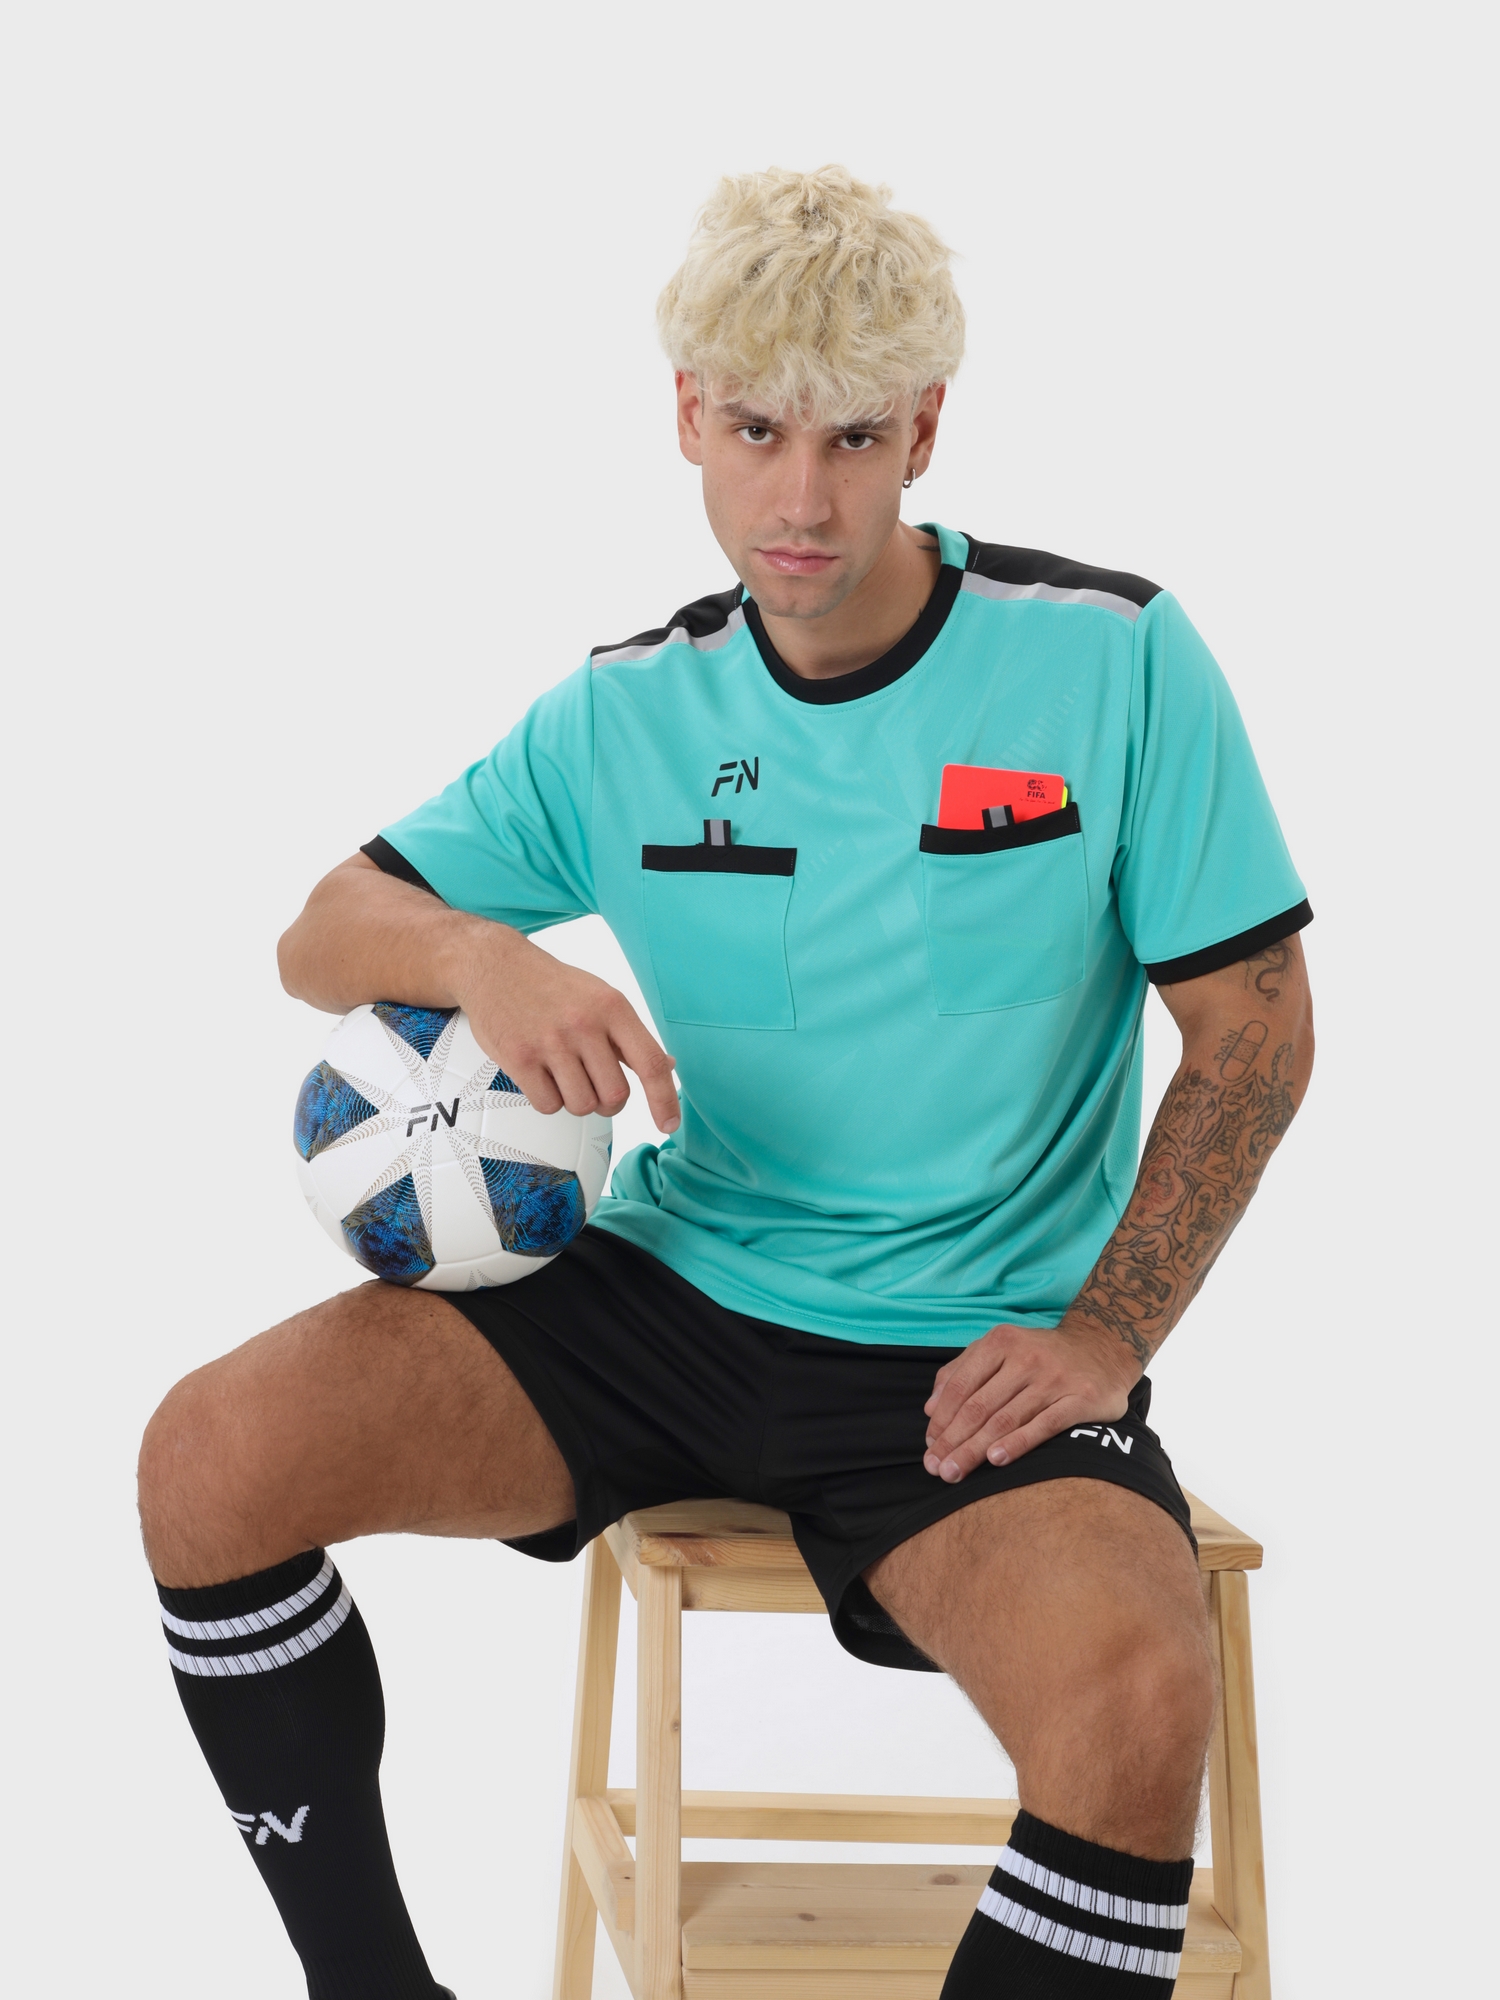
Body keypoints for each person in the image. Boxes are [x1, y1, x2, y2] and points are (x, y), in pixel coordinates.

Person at [139, 166, 1314, 2000]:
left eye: (855, 438)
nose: (803, 499)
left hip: (965, 1355)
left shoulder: (1114, 660)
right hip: (660, 1301)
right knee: (209, 1463)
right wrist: (487, 957)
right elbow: (322, 929)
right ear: (687, 416)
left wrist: (1106, 1336)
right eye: (759, 431)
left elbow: (1256, 1034)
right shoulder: (627, 712)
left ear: (927, 429)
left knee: (1137, 1701)